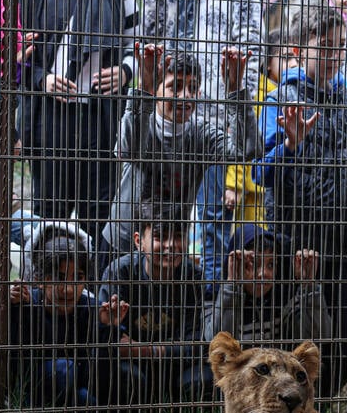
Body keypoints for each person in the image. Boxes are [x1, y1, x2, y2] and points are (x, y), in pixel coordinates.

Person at [254, 4, 347, 400]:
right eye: (326, 46)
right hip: (294, 242)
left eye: (341, 46)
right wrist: (290, 145)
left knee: (336, 353)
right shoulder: (281, 99)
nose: (336, 54)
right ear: (299, 50)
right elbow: (260, 174)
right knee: (294, 351)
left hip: (345, 245)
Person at [140, 0, 263, 290]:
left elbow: (250, 44)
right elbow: (150, 27)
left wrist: (235, 102)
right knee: (154, 218)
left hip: (213, 118)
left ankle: (208, 301)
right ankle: (152, 295)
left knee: (213, 222)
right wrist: (153, 87)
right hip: (165, 114)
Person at [100, 44, 260, 261]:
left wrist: (235, 90)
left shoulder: (202, 134)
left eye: (192, 88)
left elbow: (247, 151)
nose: (185, 96)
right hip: (123, 243)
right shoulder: (143, 122)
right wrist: (144, 88)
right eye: (175, 86)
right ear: (157, 89)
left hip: (170, 249)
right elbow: (129, 150)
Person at [18, 0, 139, 250]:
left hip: (100, 118)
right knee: (49, 216)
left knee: (98, 215)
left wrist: (126, 71)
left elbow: (135, 43)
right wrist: (43, 80)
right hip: (51, 117)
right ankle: (44, 286)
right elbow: (16, 54)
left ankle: (96, 287)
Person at [6, 235, 126, 413]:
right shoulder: (27, 303)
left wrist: (108, 328)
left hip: (80, 395)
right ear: (40, 280)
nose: (68, 289)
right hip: (34, 399)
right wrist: (18, 310)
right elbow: (15, 365)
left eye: (77, 278)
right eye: (59, 278)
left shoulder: (92, 309)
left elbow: (103, 377)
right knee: (63, 370)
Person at [98, 202, 212, 409]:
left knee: (206, 378)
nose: (171, 245)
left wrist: (143, 349)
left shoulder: (193, 277)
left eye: (178, 236)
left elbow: (197, 344)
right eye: (160, 236)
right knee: (124, 376)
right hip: (136, 368)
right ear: (138, 241)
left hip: (174, 368)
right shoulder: (120, 273)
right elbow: (109, 340)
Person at [203, 223, 328, 354]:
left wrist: (308, 285)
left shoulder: (283, 296)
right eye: (254, 264)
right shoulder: (215, 292)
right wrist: (232, 284)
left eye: (271, 264)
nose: (264, 273)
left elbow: (320, 336)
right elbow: (215, 343)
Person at [221, 28, 298, 229]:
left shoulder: (294, 93)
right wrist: (234, 184)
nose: (292, 63)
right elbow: (242, 140)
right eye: (285, 57)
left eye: (296, 57)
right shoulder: (259, 93)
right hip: (247, 188)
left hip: (273, 189)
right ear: (268, 63)